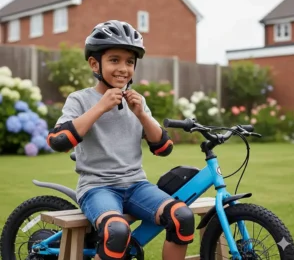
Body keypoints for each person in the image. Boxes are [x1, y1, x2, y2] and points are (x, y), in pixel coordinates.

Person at [47, 20, 195, 260]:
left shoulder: (137, 101)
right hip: (96, 187)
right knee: (116, 231)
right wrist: (100, 106)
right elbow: (59, 140)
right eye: (114, 60)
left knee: (182, 217)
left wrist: (141, 115)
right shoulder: (80, 100)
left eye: (129, 62)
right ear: (95, 64)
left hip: (137, 185)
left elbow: (163, 147)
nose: (123, 69)